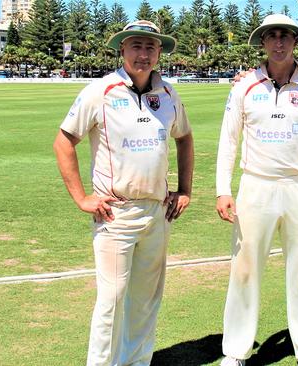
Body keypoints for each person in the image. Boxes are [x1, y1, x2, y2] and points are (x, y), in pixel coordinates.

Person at [52, 20, 194, 366]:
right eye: (136, 46)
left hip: (157, 212)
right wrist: (83, 198)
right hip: (115, 213)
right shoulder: (100, 91)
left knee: (146, 301)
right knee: (111, 302)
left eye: (150, 47)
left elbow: (185, 138)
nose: (143, 54)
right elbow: (63, 142)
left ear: (159, 52)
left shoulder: (169, 93)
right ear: (122, 50)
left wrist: (185, 190)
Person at [215, 14, 298, 366]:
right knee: (245, 270)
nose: (279, 42)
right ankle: (236, 352)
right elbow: (228, 141)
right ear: (263, 42)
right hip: (255, 185)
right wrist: (224, 189)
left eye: (286, 36)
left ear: (295, 42)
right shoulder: (244, 87)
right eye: (272, 36)